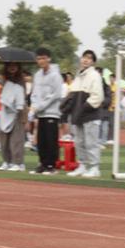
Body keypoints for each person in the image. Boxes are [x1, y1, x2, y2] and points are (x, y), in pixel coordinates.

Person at [62, 50, 105, 178]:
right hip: (78, 115)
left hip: (90, 115)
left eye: (89, 58)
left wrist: (83, 108)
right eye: (84, 57)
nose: (85, 60)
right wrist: (67, 107)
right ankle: (82, 165)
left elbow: (97, 97)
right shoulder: (78, 76)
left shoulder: (95, 76)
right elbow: (72, 95)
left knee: (91, 142)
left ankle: (94, 167)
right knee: (79, 142)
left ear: (93, 62)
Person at [29, 47, 63, 175]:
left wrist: (40, 106)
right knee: (41, 140)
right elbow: (35, 92)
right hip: (40, 112)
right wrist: (33, 106)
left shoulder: (55, 75)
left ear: (48, 59)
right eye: (38, 59)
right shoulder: (37, 75)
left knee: (50, 139)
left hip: (51, 112)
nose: (41, 61)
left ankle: (51, 165)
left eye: (43, 58)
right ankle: (42, 163)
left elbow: (56, 94)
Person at [0, 62, 27, 172]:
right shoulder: (3, 80)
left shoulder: (21, 80)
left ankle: (18, 162)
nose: (12, 68)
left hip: (18, 111)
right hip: (5, 111)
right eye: (10, 65)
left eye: (15, 66)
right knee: (4, 138)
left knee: (16, 138)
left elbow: (22, 97)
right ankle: (6, 161)